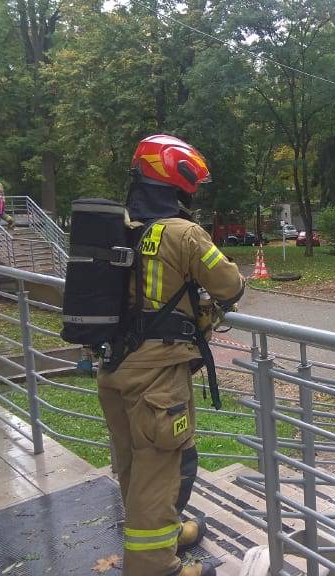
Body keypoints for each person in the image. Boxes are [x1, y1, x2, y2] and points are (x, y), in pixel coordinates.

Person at [97, 135, 244, 576]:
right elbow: (229, 284)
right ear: (177, 181)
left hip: (114, 366)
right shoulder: (183, 233)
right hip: (157, 377)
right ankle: (156, 566)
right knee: (158, 471)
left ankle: (165, 532)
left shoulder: (120, 226)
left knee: (134, 465)